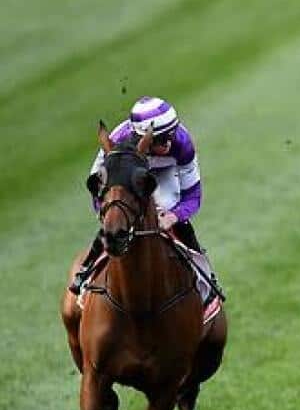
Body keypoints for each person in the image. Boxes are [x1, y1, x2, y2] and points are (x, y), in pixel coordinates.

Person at [71, 96, 206, 293]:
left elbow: (192, 196)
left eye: (171, 134)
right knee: (118, 214)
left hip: (166, 172)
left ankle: (205, 277)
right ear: (145, 139)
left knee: (168, 205)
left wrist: (174, 216)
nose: (169, 143)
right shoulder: (117, 143)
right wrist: (109, 216)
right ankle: (86, 270)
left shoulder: (182, 143)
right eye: (162, 139)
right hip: (128, 172)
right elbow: (97, 189)